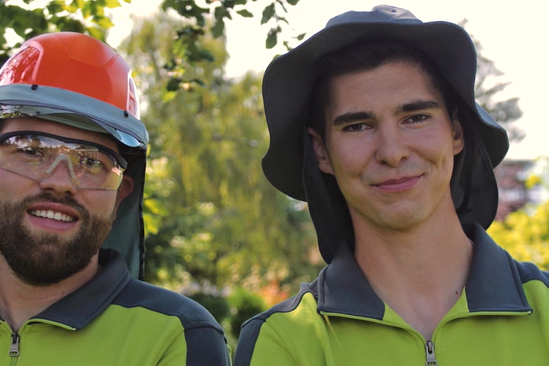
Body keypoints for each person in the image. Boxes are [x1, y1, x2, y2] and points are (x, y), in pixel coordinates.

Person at [234, 5, 549, 365]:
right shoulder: (286, 340)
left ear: (457, 132)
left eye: (415, 118)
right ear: (321, 151)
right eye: (358, 126)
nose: (392, 152)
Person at [0, 32, 230, 365]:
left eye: (91, 161)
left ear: (119, 197)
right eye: (31, 150)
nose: (60, 183)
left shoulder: (178, 337)